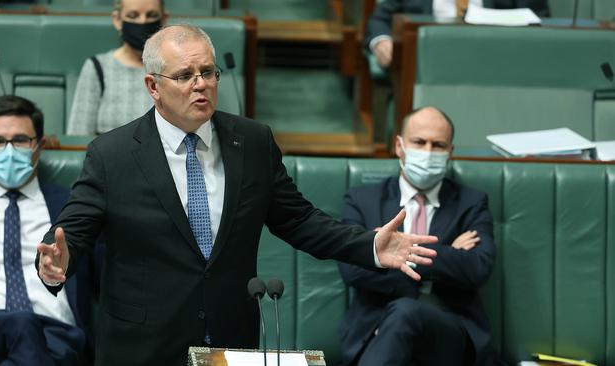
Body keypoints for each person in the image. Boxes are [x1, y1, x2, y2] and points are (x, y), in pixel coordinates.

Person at [36, 24, 439, 365]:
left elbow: (298, 219)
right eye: (185, 76)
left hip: (230, 337)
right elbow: (75, 229)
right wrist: (58, 263)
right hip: (141, 344)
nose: (201, 85)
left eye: (208, 72)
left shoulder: (251, 141)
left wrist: (368, 246)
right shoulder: (113, 154)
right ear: (153, 86)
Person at [338, 106, 496, 366]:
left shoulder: (471, 202)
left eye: (438, 145)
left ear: (450, 153)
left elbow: (478, 268)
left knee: (407, 312)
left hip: (450, 333)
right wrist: (447, 253)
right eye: (419, 142)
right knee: (404, 314)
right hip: (374, 331)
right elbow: (352, 269)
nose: (427, 152)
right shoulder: (362, 200)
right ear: (399, 146)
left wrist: (399, 255)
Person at [0, 96, 97, 366]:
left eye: (21, 140)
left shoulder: (74, 205)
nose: (9, 150)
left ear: (40, 145)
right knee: (20, 321)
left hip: (57, 334)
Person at [67, 0, 168, 136]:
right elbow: (78, 135)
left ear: (164, 20)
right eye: (133, 16)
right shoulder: (97, 68)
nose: (142, 22)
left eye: (151, 15)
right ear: (117, 20)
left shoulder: (173, 69)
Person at [366, 0, 550, 67]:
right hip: (429, 62)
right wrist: (381, 41)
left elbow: (539, 22)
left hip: (498, 62)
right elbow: (379, 19)